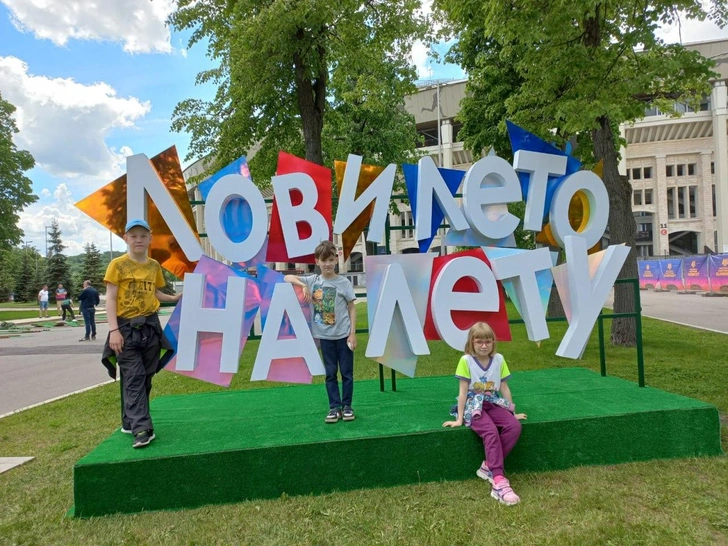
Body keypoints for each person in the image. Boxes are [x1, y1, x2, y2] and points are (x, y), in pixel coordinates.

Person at [102, 219, 180, 449]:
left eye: (143, 236)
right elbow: (111, 299)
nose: (138, 239)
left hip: (150, 328)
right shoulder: (117, 265)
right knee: (134, 377)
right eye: (133, 235)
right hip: (125, 330)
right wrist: (114, 331)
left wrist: (173, 298)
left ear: (150, 239)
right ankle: (142, 429)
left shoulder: (153, 266)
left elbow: (155, 292)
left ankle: (129, 421)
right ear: (126, 238)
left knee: (145, 377)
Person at [443, 322, 527, 506]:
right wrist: (459, 419)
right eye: (479, 341)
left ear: (493, 342)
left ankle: (487, 465)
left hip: (492, 401)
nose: (483, 345)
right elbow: (463, 391)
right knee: (490, 431)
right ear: (472, 342)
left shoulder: (499, 359)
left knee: (514, 426)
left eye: (488, 341)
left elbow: (504, 386)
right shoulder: (466, 361)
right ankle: (498, 480)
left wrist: (513, 412)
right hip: (473, 404)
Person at [284, 240, 357, 424]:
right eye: (324, 260)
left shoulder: (344, 283)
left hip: (343, 336)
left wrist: (353, 333)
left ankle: (347, 406)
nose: (328, 264)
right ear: (317, 261)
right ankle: (334, 407)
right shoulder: (313, 281)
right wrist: (303, 285)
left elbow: (352, 308)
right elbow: (287, 277)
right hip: (325, 338)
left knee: (347, 373)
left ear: (336, 260)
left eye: (331, 260)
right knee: (330, 374)